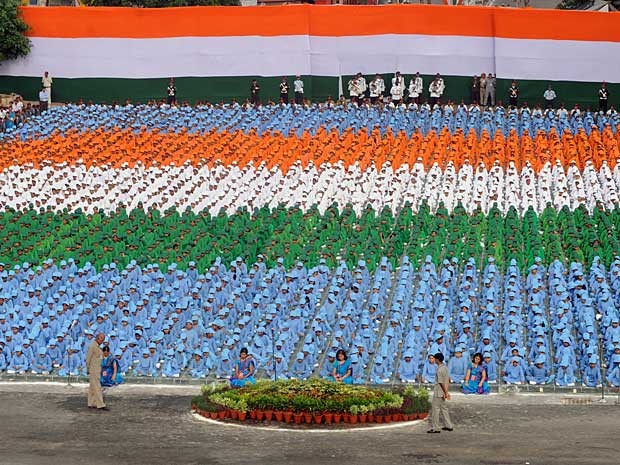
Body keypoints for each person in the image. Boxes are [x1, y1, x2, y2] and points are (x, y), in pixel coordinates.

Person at [428, 352, 453, 433]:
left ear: (437, 360)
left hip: (439, 391)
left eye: (435, 358)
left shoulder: (439, 370)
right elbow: (448, 380)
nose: (434, 360)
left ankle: (436, 428)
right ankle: (449, 425)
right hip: (443, 391)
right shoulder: (445, 367)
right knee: (444, 408)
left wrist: (445, 392)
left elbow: (441, 382)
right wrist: (446, 392)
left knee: (436, 410)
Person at [86, 333, 107, 410]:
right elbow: (88, 359)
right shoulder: (92, 346)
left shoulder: (98, 347)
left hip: (97, 369)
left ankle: (91, 403)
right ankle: (100, 404)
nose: (103, 341)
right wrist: (88, 368)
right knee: (97, 387)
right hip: (93, 369)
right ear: (98, 338)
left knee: (92, 387)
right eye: (102, 339)